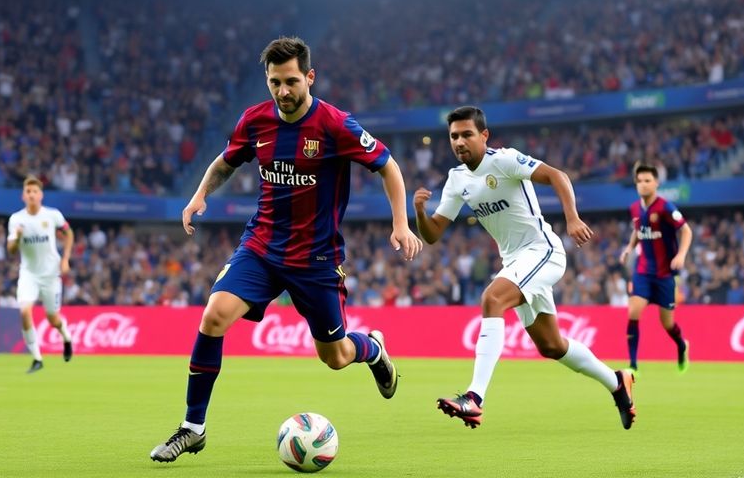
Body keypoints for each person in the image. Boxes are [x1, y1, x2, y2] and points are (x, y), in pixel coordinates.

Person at [150, 36, 423, 463]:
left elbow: (388, 165)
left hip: (316, 259)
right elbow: (226, 160)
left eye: (292, 81)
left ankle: (372, 348)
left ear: (310, 77)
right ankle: (193, 427)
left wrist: (401, 223)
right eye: (274, 82)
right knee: (213, 315)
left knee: (334, 357)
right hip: (261, 247)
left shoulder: (335, 124)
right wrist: (199, 195)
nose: (283, 91)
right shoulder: (255, 120)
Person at [414, 106, 636, 430]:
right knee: (552, 345)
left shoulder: (504, 160)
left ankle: (474, 398)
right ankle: (617, 382)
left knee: (492, 299)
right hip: (517, 262)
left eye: (467, 134)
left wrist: (572, 218)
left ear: (484, 135)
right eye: (454, 136)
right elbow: (432, 234)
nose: (459, 142)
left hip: (543, 251)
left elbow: (557, 176)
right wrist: (420, 211)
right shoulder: (457, 179)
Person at [618, 163, 693, 373]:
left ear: (656, 183)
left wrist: (681, 255)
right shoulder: (634, 208)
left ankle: (681, 345)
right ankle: (632, 365)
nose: (643, 185)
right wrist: (628, 248)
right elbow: (637, 229)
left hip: (664, 274)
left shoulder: (666, 207)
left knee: (667, 324)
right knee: (633, 312)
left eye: (647, 181)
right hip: (643, 271)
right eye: (639, 181)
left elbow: (686, 231)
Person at [6, 175, 75, 374]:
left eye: (35, 191)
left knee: (53, 319)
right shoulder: (16, 220)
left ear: (41, 195)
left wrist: (65, 259)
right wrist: (17, 238)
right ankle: (37, 358)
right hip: (28, 274)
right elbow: (10, 250)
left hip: (51, 275)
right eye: (28, 192)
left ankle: (66, 336)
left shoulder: (52, 216)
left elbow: (69, 233)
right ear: (23, 196)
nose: (32, 195)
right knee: (25, 311)